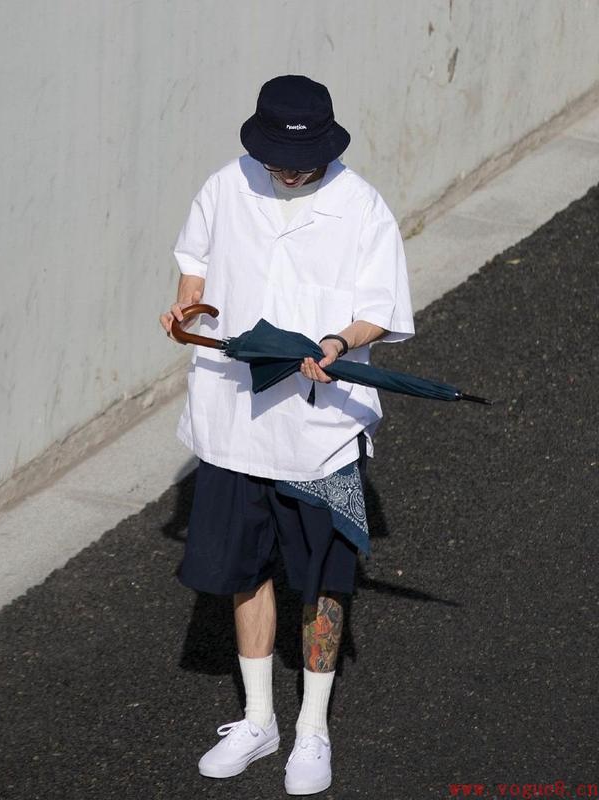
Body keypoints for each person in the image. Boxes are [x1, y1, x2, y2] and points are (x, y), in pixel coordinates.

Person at [159, 74, 415, 795]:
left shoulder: (361, 207)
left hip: (321, 428)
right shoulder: (224, 186)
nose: (290, 170)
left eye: (300, 160)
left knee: (324, 580)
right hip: (233, 418)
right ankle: (260, 721)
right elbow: (195, 270)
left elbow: (381, 306)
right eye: (278, 158)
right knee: (244, 570)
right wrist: (187, 313)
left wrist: (336, 343)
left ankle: (313, 730)